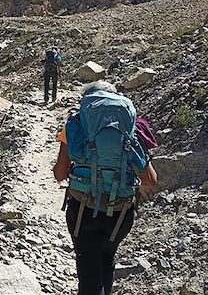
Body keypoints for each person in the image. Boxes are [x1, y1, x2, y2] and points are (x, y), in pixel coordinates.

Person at [53, 81, 158, 295]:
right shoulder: (133, 127)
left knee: (88, 271)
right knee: (107, 258)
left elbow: (59, 174)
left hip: (84, 208)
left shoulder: (76, 124)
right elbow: (151, 180)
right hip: (120, 213)